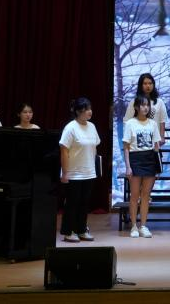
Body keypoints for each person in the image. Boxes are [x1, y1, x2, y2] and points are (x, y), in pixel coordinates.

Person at [59, 97, 100, 243]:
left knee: (84, 203)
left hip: (89, 172)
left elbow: (94, 148)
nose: (90, 112)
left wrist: (94, 168)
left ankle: (81, 229)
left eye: (90, 108)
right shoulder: (71, 127)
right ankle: (68, 231)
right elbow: (64, 150)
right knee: (72, 203)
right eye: (86, 109)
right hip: (73, 173)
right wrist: (65, 172)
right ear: (78, 111)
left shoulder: (92, 126)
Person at [122, 95, 161, 238]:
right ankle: (133, 226)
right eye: (143, 105)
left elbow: (156, 147)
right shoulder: (130, 123)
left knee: (145, 195)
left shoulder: (153, 124)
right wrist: (128, 166)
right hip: (135, 159)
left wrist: (157, 168)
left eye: (147, 105)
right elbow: (126, 147)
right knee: (134, 195)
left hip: (150, 159)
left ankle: (143, 225)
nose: (145, 108)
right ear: (136, 107)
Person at [124, 72, 168, 149]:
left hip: (154, 139)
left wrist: (162, 137)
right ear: (141, 85)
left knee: (154, 156)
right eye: (145, 83)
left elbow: (162, 121)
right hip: (137, 140)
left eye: (150, 83)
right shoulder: (134, 102)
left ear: (153, 85)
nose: (148, 86)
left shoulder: (159, 102)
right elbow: (127, 121)